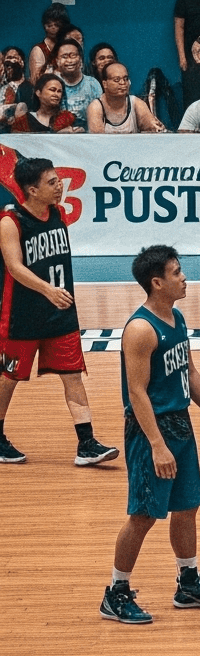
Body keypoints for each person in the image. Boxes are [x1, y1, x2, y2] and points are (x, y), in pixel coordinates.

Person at [102, 244, 200, 626]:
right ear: (157, 282)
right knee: (143, 514)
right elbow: (136, 393)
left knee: (187, 505)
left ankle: (188, 583)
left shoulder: (175, 318)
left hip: (180, 423)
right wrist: (157, 445)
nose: (184, 278)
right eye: (176, 272)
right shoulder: (140, 330)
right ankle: (115, 593)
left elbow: (189, 372)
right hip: (151, 431)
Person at [0, 156, 118, 467]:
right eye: (52, 182)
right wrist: (48, 290)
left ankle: (86, 443)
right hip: (23, 315)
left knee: (73, 376)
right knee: (8, 377)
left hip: (60, 313)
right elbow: (14, 267)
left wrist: (56, 295)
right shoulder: (10, 222)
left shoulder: (58, 213)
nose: (60, 186)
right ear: (32, 190)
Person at [87, 63, 162, 135]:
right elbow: (97, 140)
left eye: (125, 79)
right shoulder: (95, 107)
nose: (123, 83)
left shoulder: (136, 103)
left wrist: (155, 127)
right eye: (117, 80)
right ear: (105, 84)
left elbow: (154, 130)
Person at [52, 39, 103, 120]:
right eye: (64, 57)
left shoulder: (92, 84)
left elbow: (101, 115)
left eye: (73, 55)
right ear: (57, 61)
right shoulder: (52, 84)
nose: (69, 61)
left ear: (80, 59)